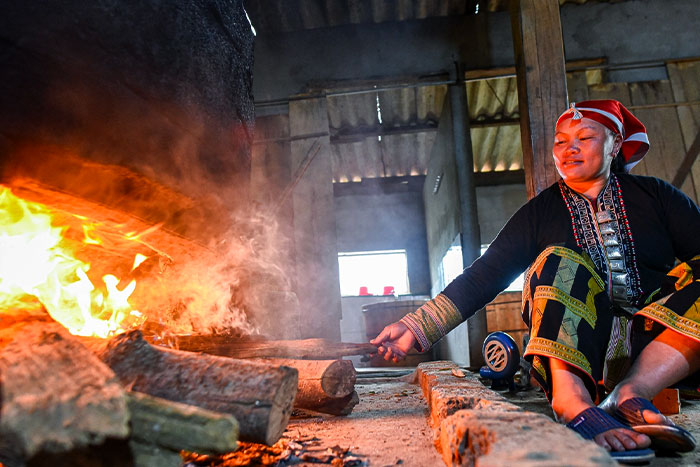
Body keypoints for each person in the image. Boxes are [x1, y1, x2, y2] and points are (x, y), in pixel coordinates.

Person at [371, 100, 700, 462]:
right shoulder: (541, 211)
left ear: (615, 144)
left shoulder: (657, 196)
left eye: (584, 137)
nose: (569, 148)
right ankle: (571, 402)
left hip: (656, 346)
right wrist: (414, 326)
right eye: (560, 141)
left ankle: (631, 392)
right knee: (557, 260)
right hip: (577, 352)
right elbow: (486, 273)